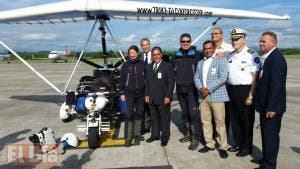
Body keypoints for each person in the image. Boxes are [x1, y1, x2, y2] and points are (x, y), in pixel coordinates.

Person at [253, 31, 287, 169]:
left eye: (264, 41)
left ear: (273, 42)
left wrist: (272, 107)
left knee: (271, 137)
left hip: (272, 107)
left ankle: (270, 165)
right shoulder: (267, 57)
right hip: (265, 105)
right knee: (266, 135)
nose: (260, 43)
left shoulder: (276, 59)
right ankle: (266, 158)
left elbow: (276, 86)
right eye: (260, 41)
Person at [226, 28, 260, 157]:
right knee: (235, 120)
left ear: (244, 40)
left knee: (246, 120)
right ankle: (238, 143)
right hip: (232, 90)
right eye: (233, 39)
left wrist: (251, 95)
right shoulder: (231, 55)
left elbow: (255, 78)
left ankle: (246, 148)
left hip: (245, 90)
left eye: (237, 39)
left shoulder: (251, 54)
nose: (234, 41)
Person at [194, 40, 229, 159]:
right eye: (205, 48)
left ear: (214, 48)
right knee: (206, 121)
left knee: (220, 123)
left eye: (210, 48)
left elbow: (223, 77)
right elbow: (196, 77)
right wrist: (200, 88)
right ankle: (210, 144)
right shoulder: (200, 62)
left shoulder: (221, 60)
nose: (208, 50)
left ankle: (223, 146)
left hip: (217, 96)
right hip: (203, 97)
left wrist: (208, 89)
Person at [172, 33, 204, 150]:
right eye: (183, 41)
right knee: (184, 113)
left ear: (191, 42)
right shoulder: (176, 55)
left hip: (192, 89)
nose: (185, 43)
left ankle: (196, 138)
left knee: (193, 114)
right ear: (180, 42)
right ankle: (188, 134)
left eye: (188, 41)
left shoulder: (197, 55)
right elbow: (171, 71)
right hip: (180, 89)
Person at [145, 46, 175, 147]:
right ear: (152, 56)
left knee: (165, 119)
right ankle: (155, 135)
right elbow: (147, 82)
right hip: (152, 97)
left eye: (158, 54)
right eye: (154, 55)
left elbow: (171, 83)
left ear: (161, 55)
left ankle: (165, 137)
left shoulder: (167, 66)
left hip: (163, 98)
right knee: (154, 117)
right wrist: (147, 94)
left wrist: (168, 96)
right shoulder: (149, 66)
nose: (156, 56)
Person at [119, 45, 146, 147]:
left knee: (139, 113)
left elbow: (147, 78)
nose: (132, 55)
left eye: (134, 53)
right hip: (129, 93)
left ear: (138, 53)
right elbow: (121, 80)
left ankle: (137, 134)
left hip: (141, 93)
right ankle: (128, 137)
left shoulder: (143, 64)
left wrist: (146, 92)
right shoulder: (125, 65)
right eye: (130, 53)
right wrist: (122, 93)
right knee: (129, 115)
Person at [211, 27, 234, 137]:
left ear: (222, 35)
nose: (214, 35)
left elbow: (235, 56)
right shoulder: (210, 48)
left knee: (225, 113)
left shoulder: (229, 48)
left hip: (225, 85)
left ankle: (223, 136)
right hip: (212, 85)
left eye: (216, 33)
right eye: (212, 33)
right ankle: (214, 134)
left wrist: (224, 54)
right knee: (213, 112)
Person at [140, 38, 152, 135]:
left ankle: (156, 126)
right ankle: (146, 127)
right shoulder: (140, 57)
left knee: (154, 107)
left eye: (147, 44)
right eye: (143, 45)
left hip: (154, 86)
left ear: (150, 44)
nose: (145, 46)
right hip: (143, 86)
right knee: (144, 108)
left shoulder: (156, 55)